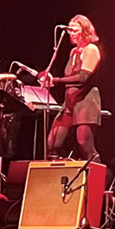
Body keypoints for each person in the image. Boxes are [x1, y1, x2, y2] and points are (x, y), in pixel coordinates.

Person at [42, 15, 103, 161]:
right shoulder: (73, 52)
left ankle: (99, 180)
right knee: (52, 142)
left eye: (75, 30)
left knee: (85, 145)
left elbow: (83, 78)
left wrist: (56, 80)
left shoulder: (91, 49)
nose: (71, 33)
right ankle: (63, 174)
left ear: (85, 30)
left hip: (85, 101)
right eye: (69, 30)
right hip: (70, 102)